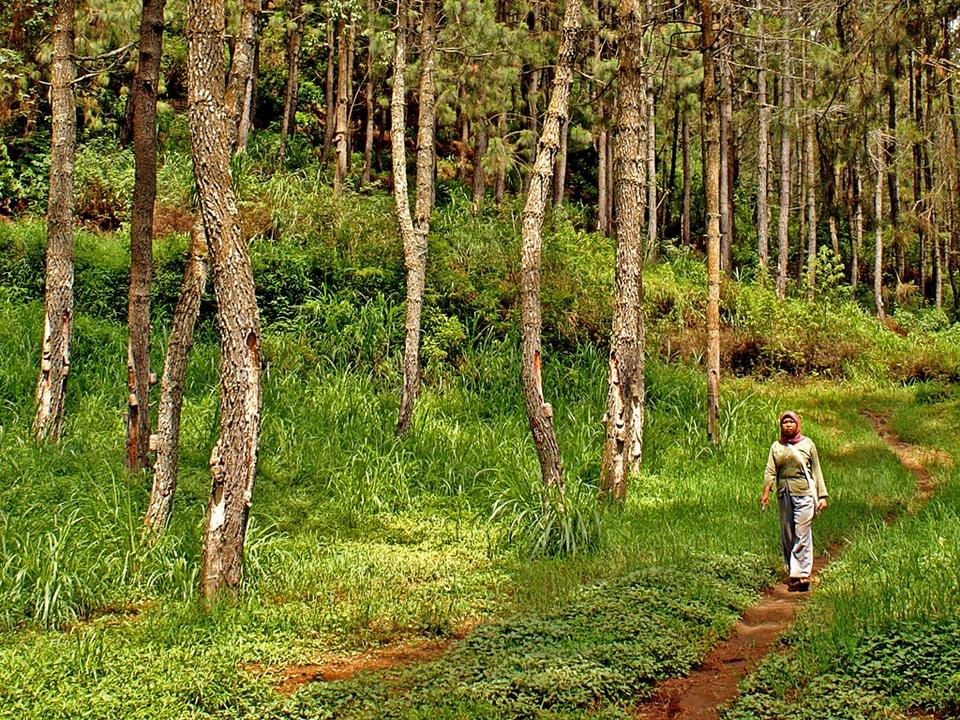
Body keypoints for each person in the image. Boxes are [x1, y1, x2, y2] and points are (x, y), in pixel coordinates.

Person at [760, 411, 828, 592]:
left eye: (791, 422)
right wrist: (766, 492)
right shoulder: (777, 446)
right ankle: (793, 570)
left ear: (798, 424)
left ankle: (803, 573)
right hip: (784, 494)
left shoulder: (808, 444)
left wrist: (822, 496)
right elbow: (770, 471)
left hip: (804, 492)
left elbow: (816, 470)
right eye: (785, 422)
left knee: (802, 531)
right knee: (788, 532)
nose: (788, 425)